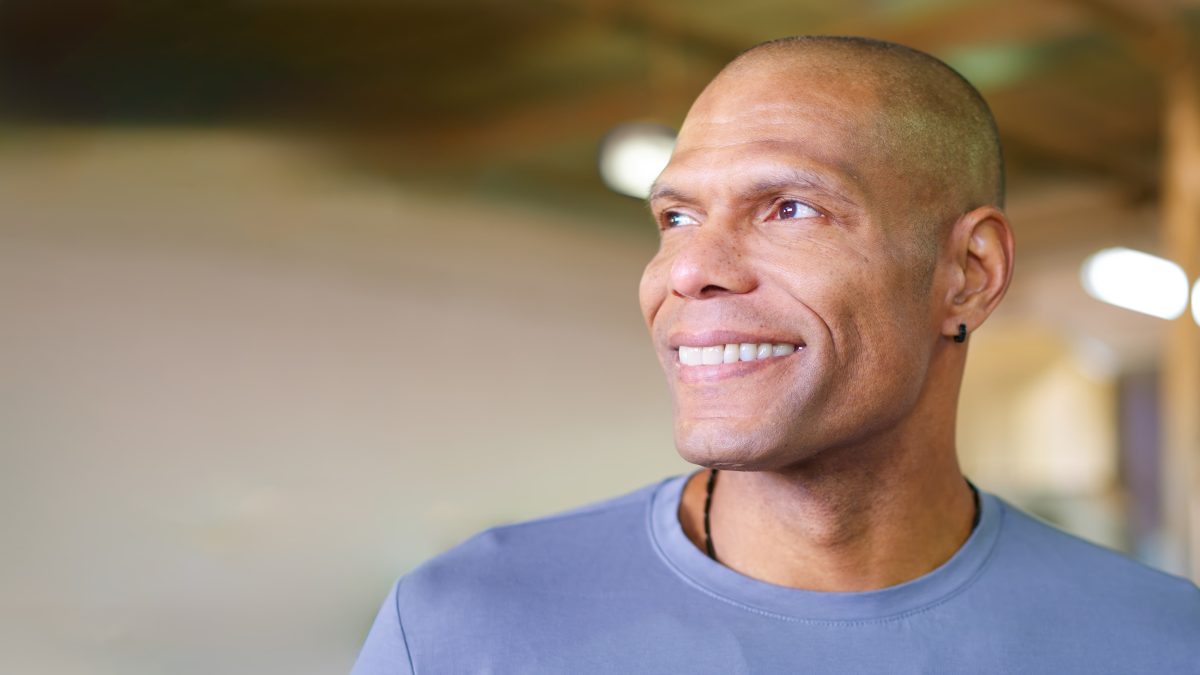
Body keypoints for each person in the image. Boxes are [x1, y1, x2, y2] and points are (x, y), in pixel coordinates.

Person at [352, 36, 1200, 673]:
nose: (688, 270)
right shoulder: (459, 630)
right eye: (677, 218)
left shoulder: (1161, 642)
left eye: (791, 208)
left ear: (968, 274)